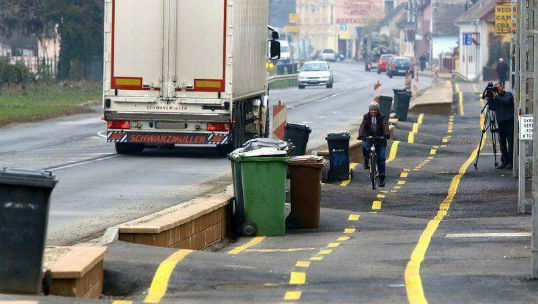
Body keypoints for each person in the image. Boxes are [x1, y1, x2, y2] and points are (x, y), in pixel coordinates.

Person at [358, 102, 391, 187]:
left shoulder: (382, 116)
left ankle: (381, 178)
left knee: (381, 158)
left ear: (378, 110)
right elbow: (362, 126)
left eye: (375, 110)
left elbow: (385, 125)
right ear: (369, 110)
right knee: (365, 146)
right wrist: (361, 135)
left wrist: (386, 134)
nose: (373, 111)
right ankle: (365, 159)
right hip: (368, 137)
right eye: (371, 109)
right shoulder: (366, 116)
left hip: (380, 139)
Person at [490, 82, 514, 169]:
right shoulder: (496, 98)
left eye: (498, 86)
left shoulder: (509, 95)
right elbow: (491, 107)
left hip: (509, 123)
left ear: (502, 87)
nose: (497, 88)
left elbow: (507, 102)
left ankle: (511, 163)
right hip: (501, 123)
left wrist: (497, 97)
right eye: (495, 87)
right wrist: (489, 98)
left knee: (511, 143)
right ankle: (504, 161)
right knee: (502, 144)